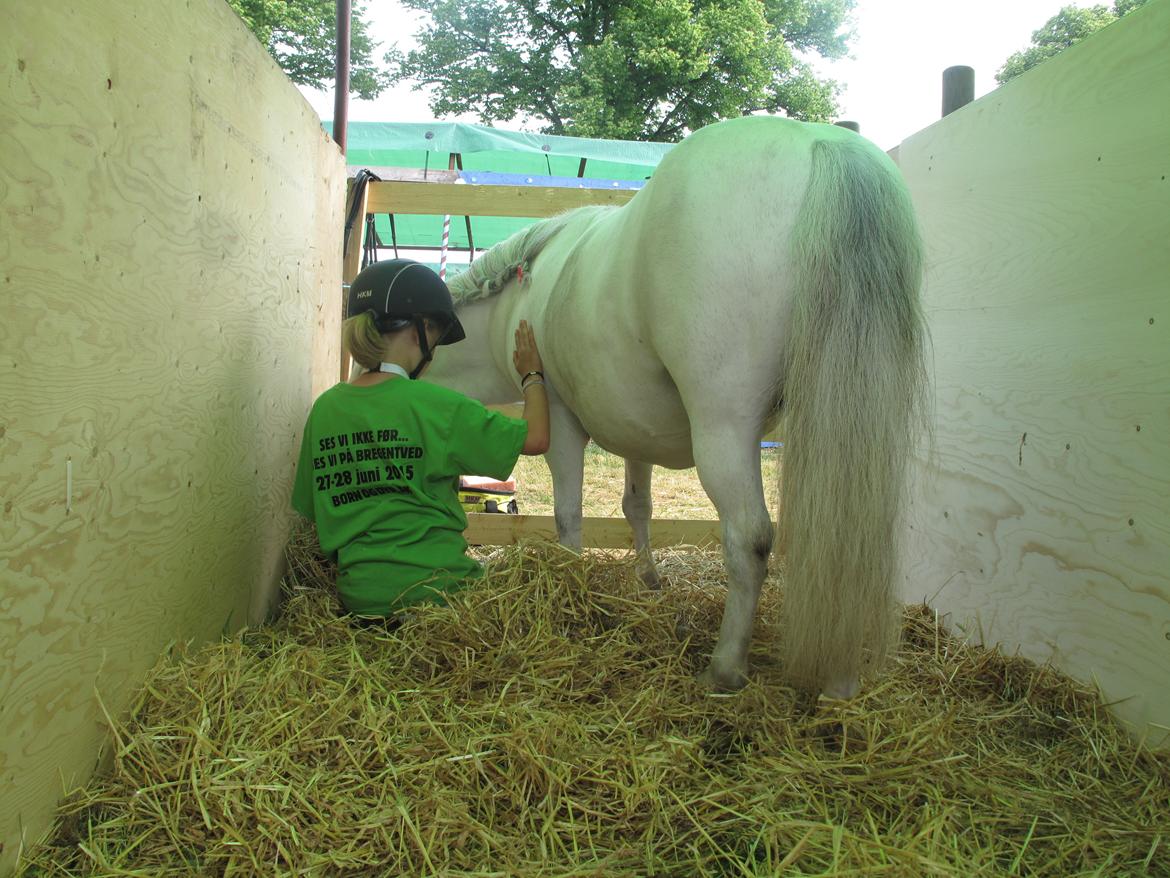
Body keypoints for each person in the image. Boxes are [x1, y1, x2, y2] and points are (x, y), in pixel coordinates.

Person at [291, 258, 549, 618]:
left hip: (361, 602)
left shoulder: (324, 410)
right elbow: (536, 438)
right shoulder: (435, 405)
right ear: (421, 329)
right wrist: (532, 373)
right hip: (442, 595)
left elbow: (311, 510)